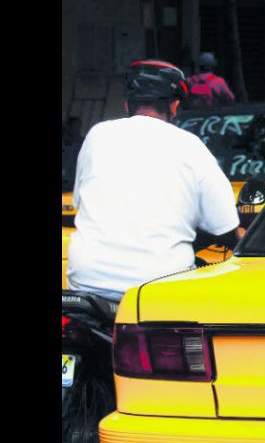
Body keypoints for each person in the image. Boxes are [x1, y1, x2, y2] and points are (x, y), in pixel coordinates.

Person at [66, 59, 241, 301]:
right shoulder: (190, 146)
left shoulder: (97, 135)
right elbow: (225, 228)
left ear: (127, 105)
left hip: (86, 284)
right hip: (158, 289)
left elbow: (80, 203)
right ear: (175, 106)